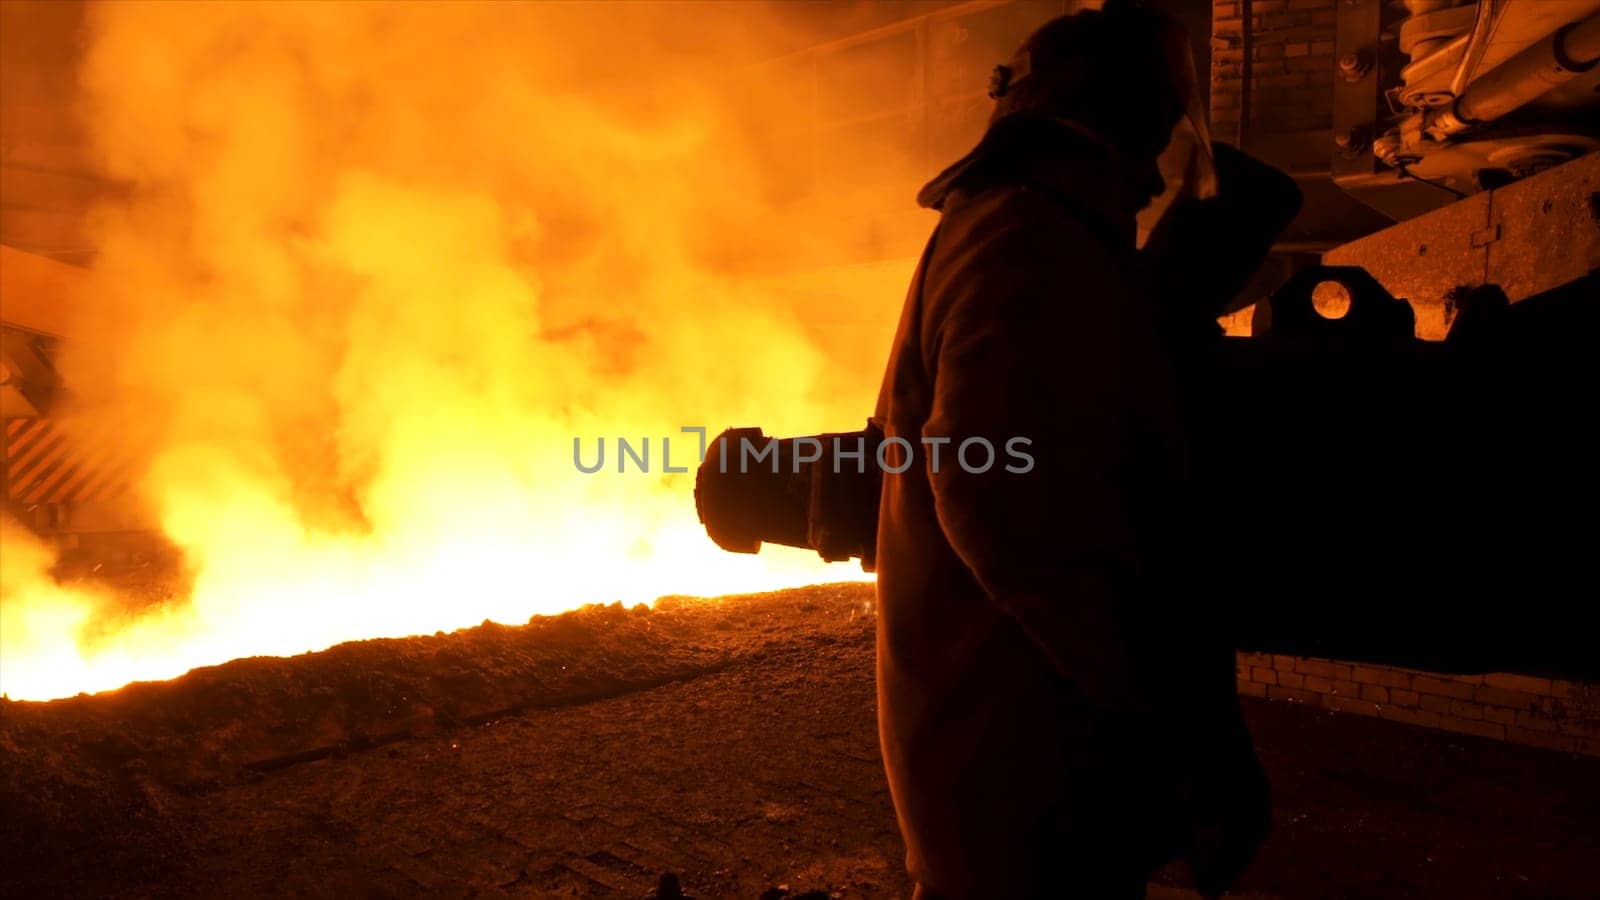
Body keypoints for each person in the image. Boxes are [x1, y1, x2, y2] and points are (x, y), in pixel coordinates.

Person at [871, 2, 1271, 897]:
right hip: (1022, 774)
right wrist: (1178, 727)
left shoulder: (1021, 232)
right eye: (1155, 142)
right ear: (1106, 132)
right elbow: (1005, 509)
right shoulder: (1026, 243)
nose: (1153, 182)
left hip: (1009, 767)